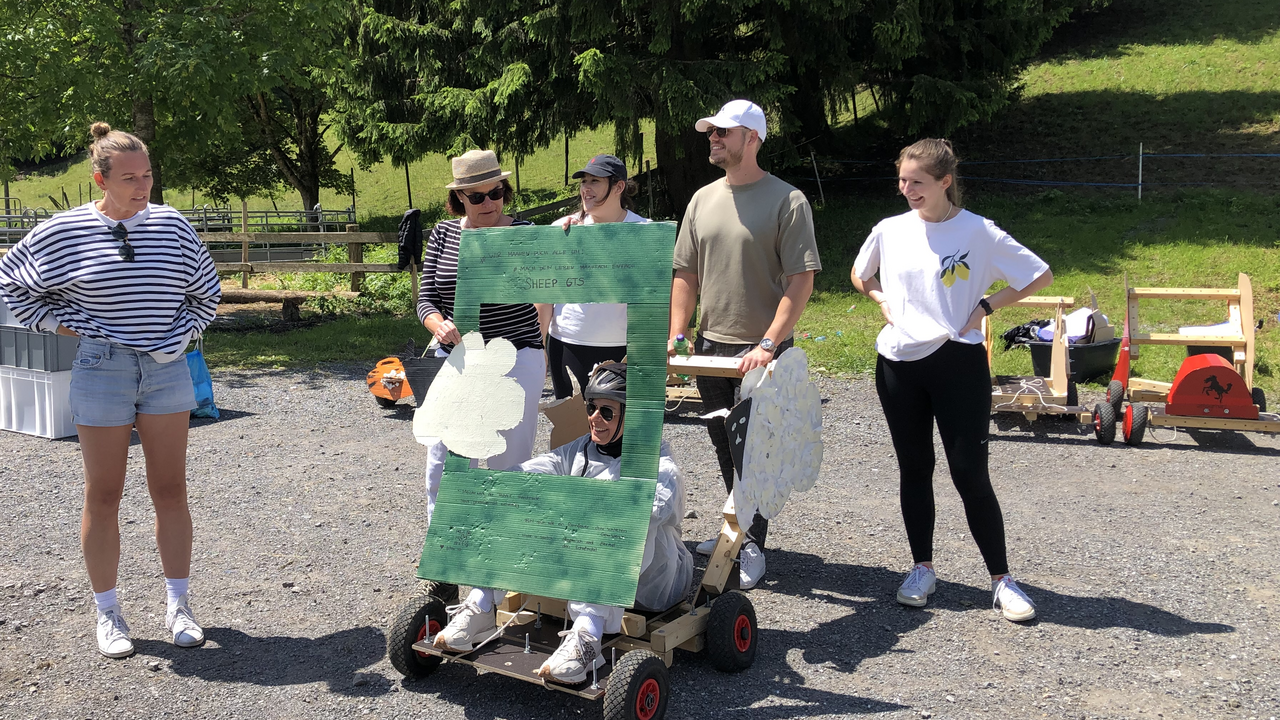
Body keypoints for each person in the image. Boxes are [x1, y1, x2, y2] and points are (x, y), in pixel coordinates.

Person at [0, 122, 221, 658]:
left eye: (146, 174)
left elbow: (205, 293)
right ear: (101, 178)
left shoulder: (172, 226)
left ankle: (179, 605)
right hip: (101, 369)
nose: (142, 185)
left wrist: (178, 337)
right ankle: (108, 611)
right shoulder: (64, 231)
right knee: (103, 494)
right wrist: (64, 326)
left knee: (170, 490)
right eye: (129, 177)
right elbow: (11, 282)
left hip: (166, 368)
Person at [850, 138, 1053, 623]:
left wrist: (986, 307)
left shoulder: (979, 232)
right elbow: (861, 273)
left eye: (916, 182)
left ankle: (1001, 579)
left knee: (969, 474)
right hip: (899, 365)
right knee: (914, 469)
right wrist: (881, 302)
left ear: (945, 182)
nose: (906, 190)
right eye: (901, 181)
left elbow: (1038, 275)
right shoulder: (890, 229)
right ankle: (922, 568)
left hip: (958, 364)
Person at [432, 363, 693, 684]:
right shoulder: (583, 449)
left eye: (607, 413)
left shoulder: (663, 467)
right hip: (584, 566)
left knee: (621, 525)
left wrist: (567, 509)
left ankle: (587, 638)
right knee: (514, 499)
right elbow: (535, 470)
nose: (595, 418)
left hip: (652, 584)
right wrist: (498, 489)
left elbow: (642, 514)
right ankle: (482, 606)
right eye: (591, 408)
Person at [668, 99, 822, 589]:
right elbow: (686, 274)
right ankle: (737, 532)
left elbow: (801, 281)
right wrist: (677, 332)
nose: (713, 138)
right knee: (723, 442)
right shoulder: (701, 199)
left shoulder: (787, 200)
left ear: (752, 138)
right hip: (710, 347)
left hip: (760, 350)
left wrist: (769, 343)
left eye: (723, 132)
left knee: (756, 450)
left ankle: (751, 543)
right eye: (710, 132)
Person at [418, 149, 548, 601]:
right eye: (477, 196)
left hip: (516, 356)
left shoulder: (526, 233)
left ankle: (501, 563)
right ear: (460, 199)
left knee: (507, 460)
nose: (489, 202)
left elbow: (554, 281)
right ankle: (449, 557)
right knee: (441, 459)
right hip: (462, 356)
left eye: (496, 192)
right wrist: (439, 324)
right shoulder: (442, 234)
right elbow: (426, 297)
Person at [546, 155, 648, 399]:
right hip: (567, 342)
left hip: (622, 346)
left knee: (618, 430)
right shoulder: (562, 229)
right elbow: (545, 294)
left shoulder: (645, 231)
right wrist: (540, 348)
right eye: (583, 182)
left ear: (619, 186)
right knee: (571, 430)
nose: (586, 188)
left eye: (595, 181)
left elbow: (656, 296)